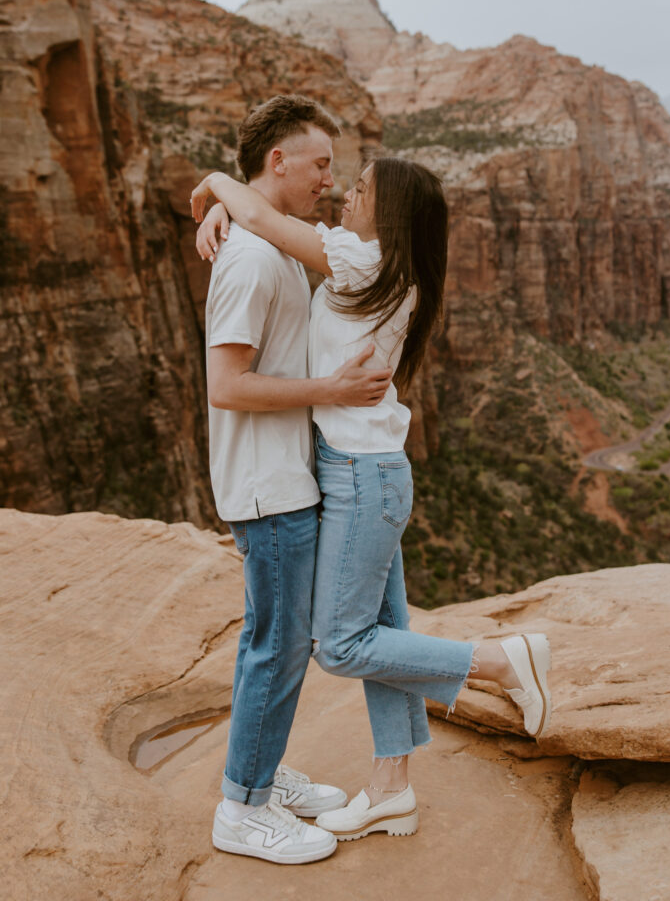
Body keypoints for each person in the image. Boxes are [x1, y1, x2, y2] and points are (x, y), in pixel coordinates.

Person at [193, 151, 553, 844]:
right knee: (383, 632)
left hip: (361, 479)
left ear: (386, 215)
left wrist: (214, 184)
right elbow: (261, 224)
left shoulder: (362, 260)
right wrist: (222, 209)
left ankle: (498, 661)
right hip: (355, 471)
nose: (342, 196)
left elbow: (265, 214)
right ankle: (391, 789)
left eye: (357, 189)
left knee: (341, 645)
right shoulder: (378, 264)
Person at [201, 94, 397, 865]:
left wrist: (215, 193)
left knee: (279, 640)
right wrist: (332, 393)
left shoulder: (274, 243)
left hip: (290, 477)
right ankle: (241, 809)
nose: (329, 179)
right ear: (276, 162)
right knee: (277, 645)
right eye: (319, 163)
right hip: (266, 485)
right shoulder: (252, 259)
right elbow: (227, 385)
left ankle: (261, 770)